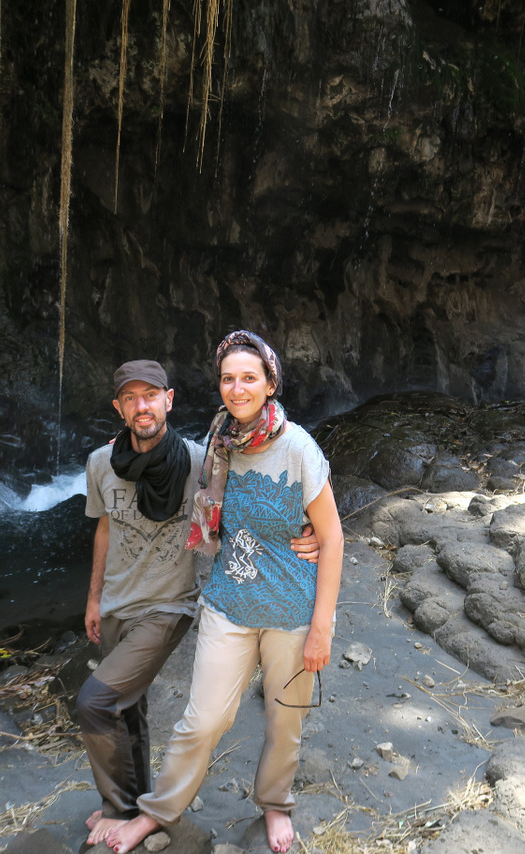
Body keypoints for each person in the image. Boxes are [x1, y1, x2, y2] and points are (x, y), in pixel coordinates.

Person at [108, 331, 344, 854]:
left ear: (269, 383)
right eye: (228, 378)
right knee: (203, 718)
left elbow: (331, 537)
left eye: (249, 378)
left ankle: (276, 804)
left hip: (291, 610)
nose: (237, 389)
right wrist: (117, 446)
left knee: (285, 719)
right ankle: (158, 812)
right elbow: (160, 455)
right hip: (228, 604)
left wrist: (321, 628)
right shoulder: (218, 444)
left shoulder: (298, 446)